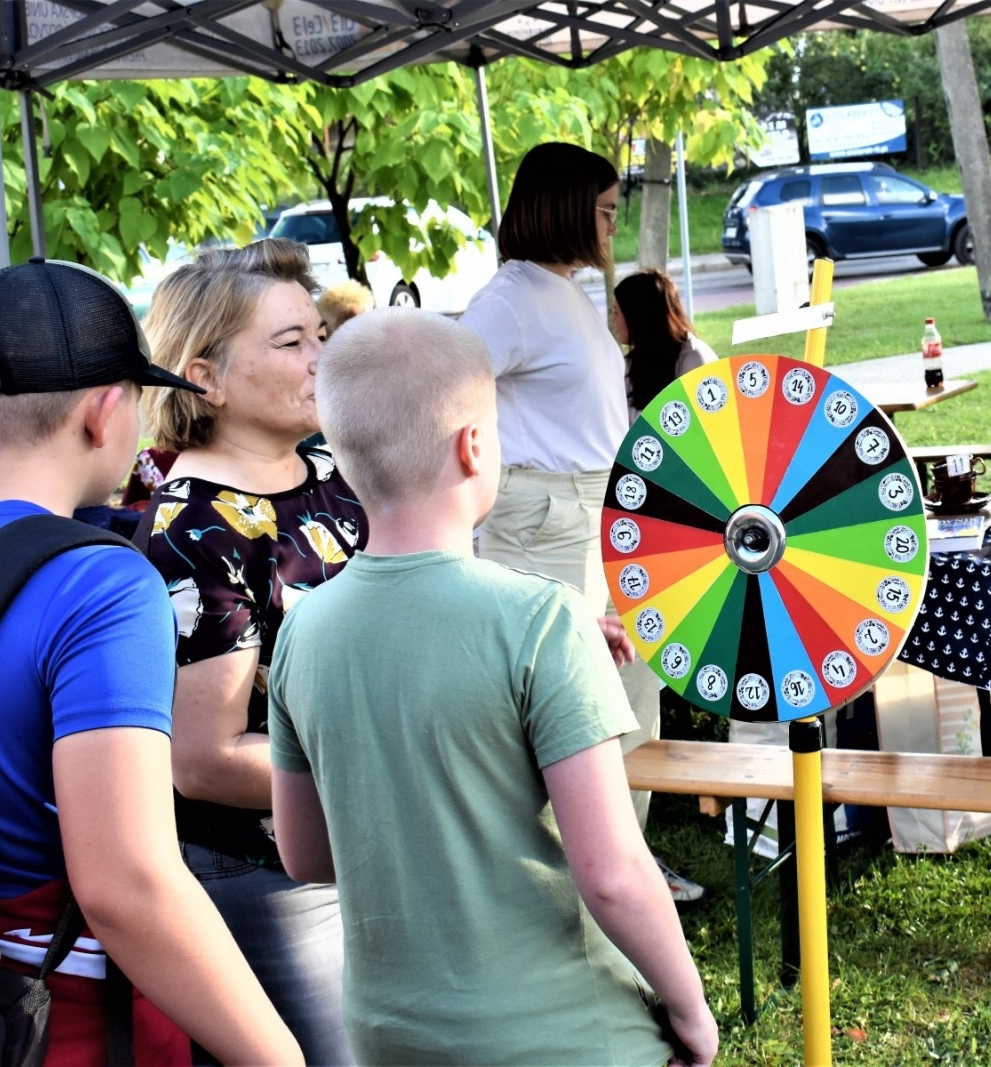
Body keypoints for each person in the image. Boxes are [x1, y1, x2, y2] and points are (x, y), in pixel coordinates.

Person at [0, 258, 302, 1065]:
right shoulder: (100, 584)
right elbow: (127, 884)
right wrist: (279, 1056)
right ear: (107, 413)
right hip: (52, 1023)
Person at [268, 307, 719, 1067]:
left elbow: (306, 854)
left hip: (391, 1035)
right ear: (475, 446)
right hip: (567, 1034)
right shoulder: (543, 621)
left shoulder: (302, 633)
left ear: (342, 459)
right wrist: (691, 1006)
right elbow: (612, 872)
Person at [134, 238, 362, 1062]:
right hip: (270, 875)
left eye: (318, 334)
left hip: (364, 841)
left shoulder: (329, 463)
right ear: (205, 377)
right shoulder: (196, 529)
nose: (320, 357)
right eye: (290, 342)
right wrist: (386, 767)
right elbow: (203, 759)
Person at [460, 142, 701, 902]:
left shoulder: (558, 292)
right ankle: (572, 891)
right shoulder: (509, 300)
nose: (610, 228)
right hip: (548, 517)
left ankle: (621, 875)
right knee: (574, 710)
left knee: (631, 697)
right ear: (564, 209)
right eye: (602, 213)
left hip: (596, 509)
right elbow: (445, 393)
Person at [616, 269, 717, 421]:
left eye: (616, 312)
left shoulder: (694, 359)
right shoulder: (631, 364)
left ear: (638, 316)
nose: (613, 321)